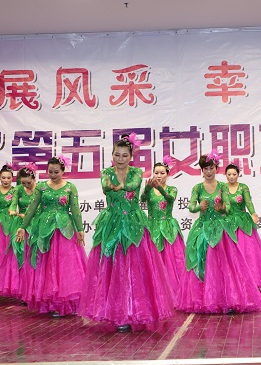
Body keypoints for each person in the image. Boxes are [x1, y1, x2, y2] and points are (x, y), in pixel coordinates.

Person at [80, 134, 174, 331]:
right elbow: (105, 186)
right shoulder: (106, 172)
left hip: (134, 223)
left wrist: (122, 186)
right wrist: (111, 185)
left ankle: (137, 311)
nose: (120, 159)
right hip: (112, 222)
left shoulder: (136, 172)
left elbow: (133, 185)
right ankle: (117, 313)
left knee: (136, 268)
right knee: (113, 268)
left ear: (131, 156)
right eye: (117, 155)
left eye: (124, 155)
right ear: (112, 155)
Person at [177, 151, 261, 314]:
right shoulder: (197, 188)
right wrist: (198, 207)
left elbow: (229, 207)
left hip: (221, 229)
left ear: (216, 168)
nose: (208, 171)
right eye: (205, 168)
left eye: (211, 168)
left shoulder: (222, 187)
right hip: (203, 228)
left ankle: (228, 299)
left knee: (225, 265)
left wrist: (223, 208)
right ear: (202, 170)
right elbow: (191, 206)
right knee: (202, 263)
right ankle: (204, 300)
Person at [15, 156, 87, 317]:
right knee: (47, 265)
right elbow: (32, 208)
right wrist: (22, 227)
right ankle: (50, 303)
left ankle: (64, 303)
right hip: (44, 228)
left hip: (64, 230)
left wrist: (80, 229)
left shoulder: (70, 187)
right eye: (50, 172)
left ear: (63, 171)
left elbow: (75, 209)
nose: (53, 175)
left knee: (64, 266)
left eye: (56, 172)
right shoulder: (41, 187)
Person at [141, 157, 188, 299]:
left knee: (170, 261)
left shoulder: (172, 189)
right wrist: (147, 189)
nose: (159, 176)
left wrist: (159, 188)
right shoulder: (149, 189)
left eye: (162, 173)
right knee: (152, 259)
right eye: (156, 173)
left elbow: (170, 199)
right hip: (152, 226)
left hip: (168, 227)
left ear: (168, 174)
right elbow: (142, 199)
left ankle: (173, 294)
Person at [224, 162, 261, 288]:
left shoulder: (243, 187)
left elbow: (248, 202)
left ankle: (251, 281)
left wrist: (253, 213)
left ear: (238, 174)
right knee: (230, 253)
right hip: (228, 223)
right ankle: (233, 282)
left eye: (234, 174)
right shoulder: (222, 188)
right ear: (225, 175)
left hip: (243, 222)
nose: (231, 177)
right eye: (229, 174)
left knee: (248, 252)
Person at [0, 164, 38, 299]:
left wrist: (29, 215)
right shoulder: (18, 189)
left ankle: (34, 289)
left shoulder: (40, 189)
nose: (26, 185)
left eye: (28, 182)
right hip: (20, 225)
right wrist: (12, 210)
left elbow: (40, 207)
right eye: (23, 183)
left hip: (35, 224)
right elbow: (13, 203)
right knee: (19, 255)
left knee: (34, 256)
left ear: (34, 179)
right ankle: (23, 290)